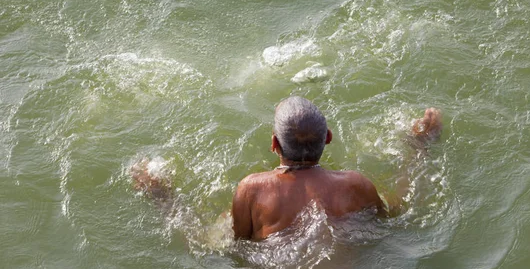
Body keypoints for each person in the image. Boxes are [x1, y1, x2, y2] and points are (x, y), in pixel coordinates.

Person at [131, 96, 442, 241]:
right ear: (328, 139)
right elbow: (398, 215)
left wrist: (162, 196)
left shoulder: (252, 189)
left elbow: (226, 245)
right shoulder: (356, 185)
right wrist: (419, 149)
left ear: (274, 145)